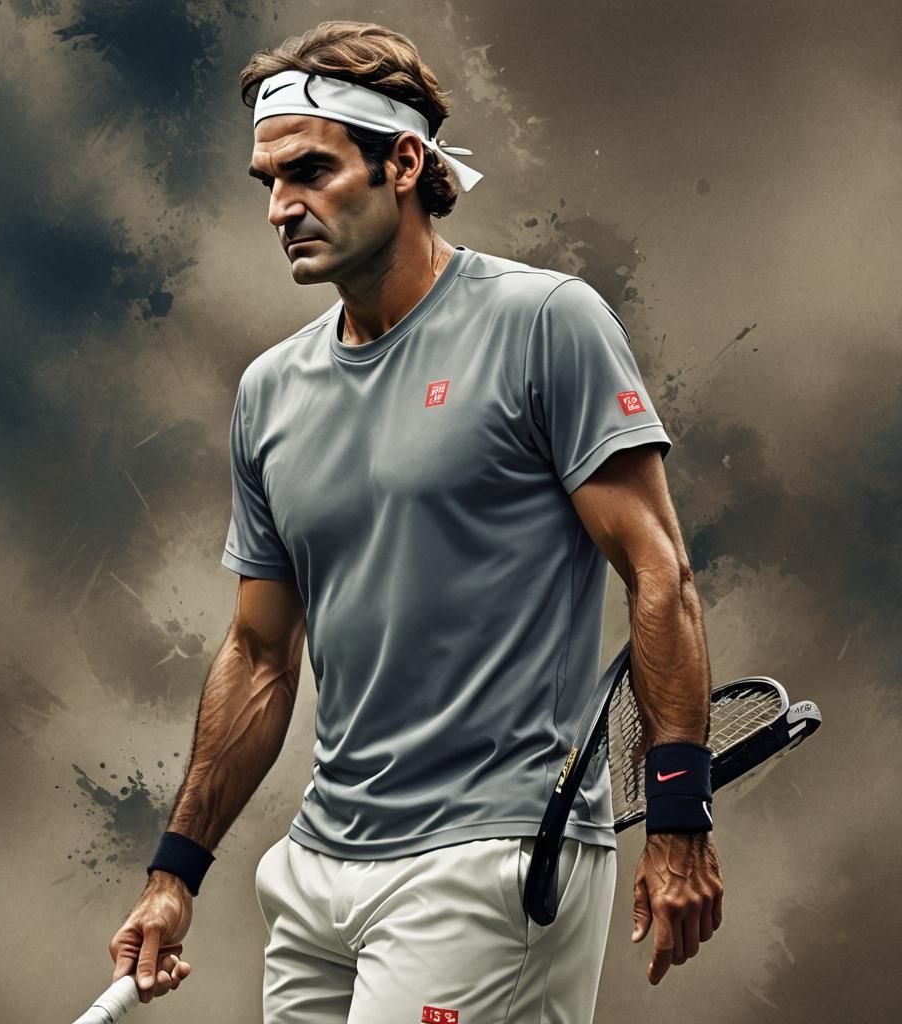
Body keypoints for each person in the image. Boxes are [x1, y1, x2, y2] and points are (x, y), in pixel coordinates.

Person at [108, 20, 723, 1023]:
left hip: (489, 859)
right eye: (268, 180)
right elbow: (259, 653)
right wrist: (174, 873)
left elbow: (660, 574)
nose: (281, 206)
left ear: (402, 164)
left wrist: (680, 817)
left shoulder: (546, 323)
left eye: (310, 171)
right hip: (315, 875)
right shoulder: (269, 392)